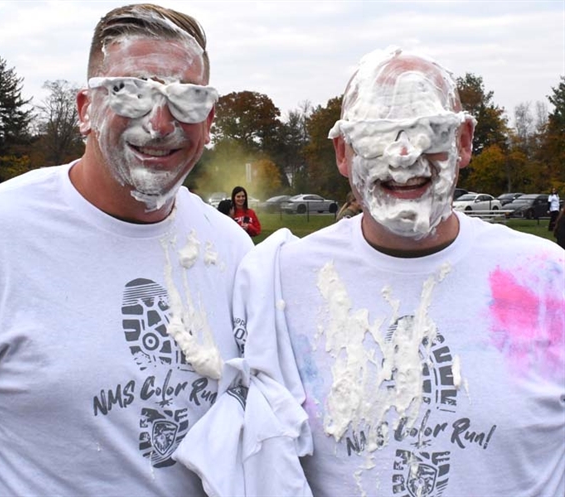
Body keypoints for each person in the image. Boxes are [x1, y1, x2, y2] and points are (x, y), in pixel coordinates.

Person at [176, 47, 565, 497]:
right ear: (343, 151)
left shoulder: (549, 280)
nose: (403, 156)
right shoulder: (279, 283)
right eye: (377, 136)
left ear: (463, 142)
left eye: (427, 132)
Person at [0, 4, 254, 496]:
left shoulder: (232, 247)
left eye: (185, 99)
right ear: (85, 109)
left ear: (207, 121)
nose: (160, 123)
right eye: (131, 93)